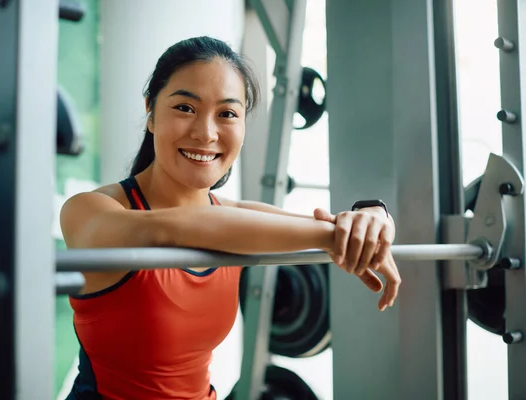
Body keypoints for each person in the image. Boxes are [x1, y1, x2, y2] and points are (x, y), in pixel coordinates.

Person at [60, 36, 401, 400]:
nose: (206, 133)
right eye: (185, 108)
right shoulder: (89, 211)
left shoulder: (233, 219)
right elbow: (171, 228)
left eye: (227, 114)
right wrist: (333, 238)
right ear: (151, 112)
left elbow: (331, 225)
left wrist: (373, 217)